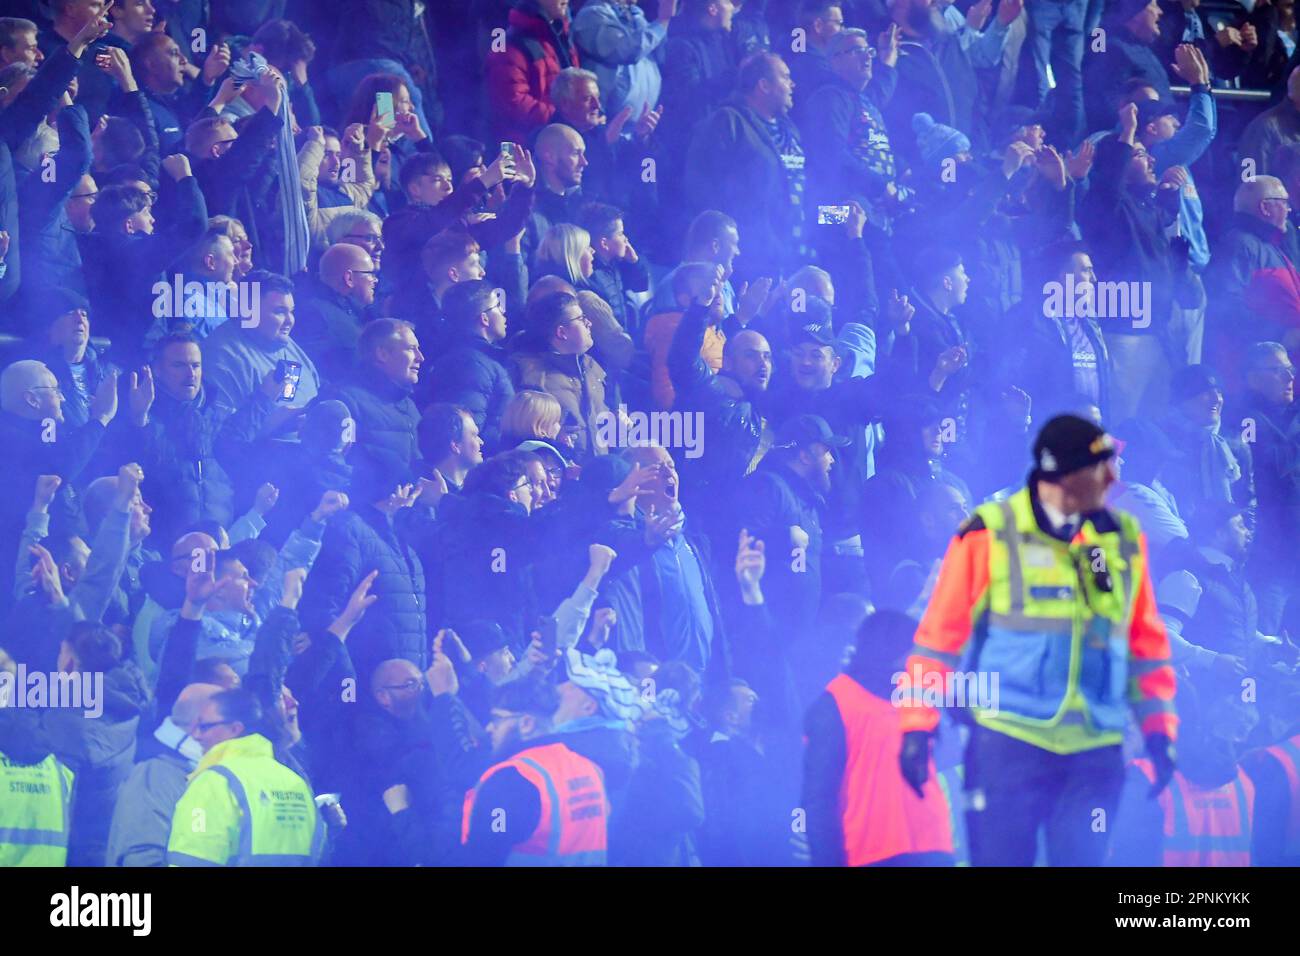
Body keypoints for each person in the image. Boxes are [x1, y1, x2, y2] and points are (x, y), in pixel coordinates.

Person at [896, 414, 1178, 866]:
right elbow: (935, 641)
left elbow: (1141, 641)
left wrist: (1158, 729)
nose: (1110, 479)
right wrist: (917, 725)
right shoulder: (988, 534)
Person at [803, 608, 954, 866]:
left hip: (932, 844)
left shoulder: (916, 694)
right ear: (890, 650)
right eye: (913, 648)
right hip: (872, 851)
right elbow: (819, 798)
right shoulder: (835, 704)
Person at [166, 688, 325, 866]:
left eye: (204, 726)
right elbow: (319, 849)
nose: (196, 735)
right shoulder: (295, 782)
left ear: (235, 728)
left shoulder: (215, 782)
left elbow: (192, 860)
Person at [460, 676, 609, 866]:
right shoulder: (589, 769)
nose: (490, 728)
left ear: (526, 723)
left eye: (497, 719)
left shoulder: (511, 780)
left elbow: (486, 852)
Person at [685, 51, 806, 282]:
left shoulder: (790, 132)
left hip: (795, 257)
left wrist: (838, 216)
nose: (793, 84)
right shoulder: (727, 122)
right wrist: (734, 245)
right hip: (751, 260)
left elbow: (806, 194)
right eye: (785, 77)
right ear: (764, 85)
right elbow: (701, 187)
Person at [105, 681, 223, 866]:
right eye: (229, 722)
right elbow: (142, 858)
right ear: (198, 726)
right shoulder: (155, 775)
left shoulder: (198, 772)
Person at [509, 290, 610, 460]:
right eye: (581, 319)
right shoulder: (528, 374)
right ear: (561, 332)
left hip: (598, 477)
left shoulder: (594, 368)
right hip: (556, 479)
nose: (589, 323)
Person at [319, 317, 424, 480]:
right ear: (382, 354)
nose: (420, 357)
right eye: (411, 349)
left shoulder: (409, 406)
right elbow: (333, 464)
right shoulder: (345, 400)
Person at [427, 281, 514, 447]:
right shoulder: (470, 364)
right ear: (484, 318)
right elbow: (467, 434)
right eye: (497, 306)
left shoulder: (481, 359)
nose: (503, 312)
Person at [486, 0, 581, 146]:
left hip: (557, 143)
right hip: (521, 150)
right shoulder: (508, 43)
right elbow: (513, 102)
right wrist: (563, 116)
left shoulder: (560, 35)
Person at [293, 242, 380, 380]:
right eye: (370, 273)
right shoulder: (314, 313)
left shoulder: (355, 311)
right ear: (349, 278)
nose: (375, 280)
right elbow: (312, 370)